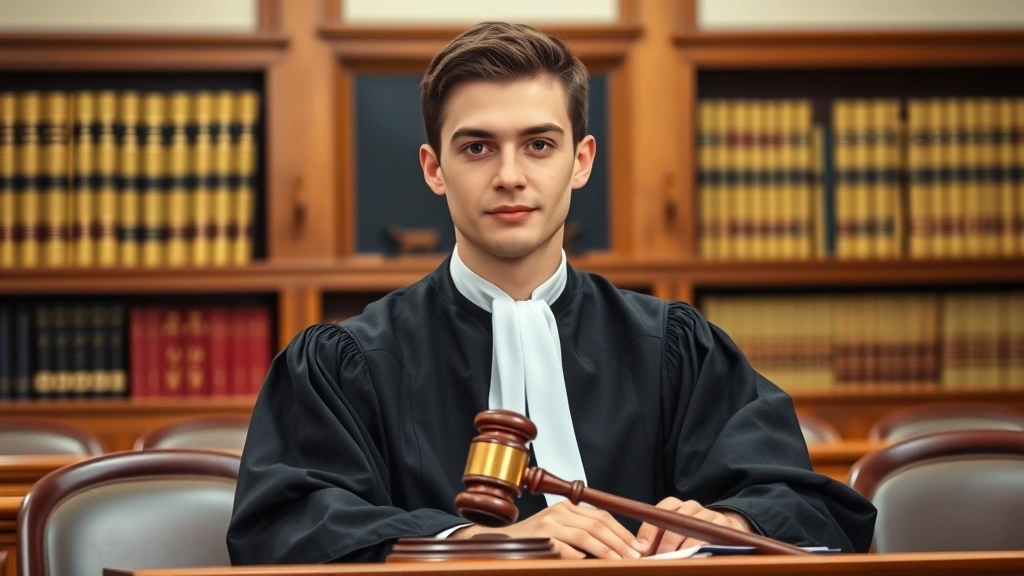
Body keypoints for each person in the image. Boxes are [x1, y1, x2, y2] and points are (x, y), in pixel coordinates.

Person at [226, 21, 876, 564]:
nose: (510, 175)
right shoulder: (345, 363)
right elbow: (284, 528)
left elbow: (806, 504)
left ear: (581, 161)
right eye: (477, 147)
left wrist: (730, 524)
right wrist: (473, 544)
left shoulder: (674, 348)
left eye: (539, 144)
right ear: (434, 169)